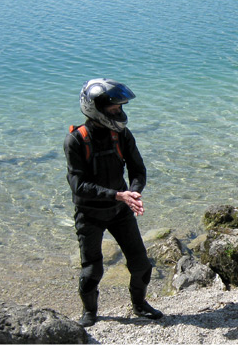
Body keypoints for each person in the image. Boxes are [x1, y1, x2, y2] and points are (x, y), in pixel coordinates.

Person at [64, 78, 163, 327]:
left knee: (141, 265)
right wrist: (119, 195)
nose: (119, 112)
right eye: (114, 108)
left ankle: (139, 305)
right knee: (92, 270)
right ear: (95, 108)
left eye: (120, 108)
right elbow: (78, 186)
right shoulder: (76, 140)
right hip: (89, 214)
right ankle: (89, 312)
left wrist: (134, 193)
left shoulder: (122, 134)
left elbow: (138, 170)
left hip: (120, 211)